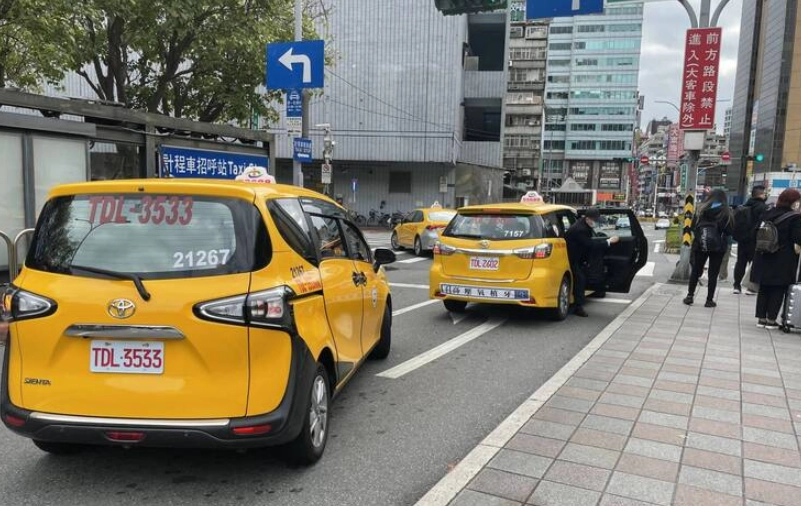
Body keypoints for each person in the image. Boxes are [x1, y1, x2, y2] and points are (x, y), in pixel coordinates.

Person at [751, 188, 801, 329]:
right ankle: (771, 319)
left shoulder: (768, 212)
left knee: (764, 287)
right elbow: (798, 237)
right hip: (783, 258)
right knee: (778, 289)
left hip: (764, 255)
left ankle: (761, 319)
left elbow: (755, 232)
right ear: (794, 202)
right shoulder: (794, 217)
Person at [565, 208, 619, 317]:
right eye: (594, 219)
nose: (595, 222)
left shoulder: (583, 224)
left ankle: (595, 291)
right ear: (588, 219)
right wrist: (608, 241)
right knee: (580, 280)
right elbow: (590, 245)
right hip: (571, 259)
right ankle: (578, 307)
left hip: (578, 257)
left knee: (585, 276)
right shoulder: (580, 229)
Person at [684, 189, 733, 308]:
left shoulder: (701, 209)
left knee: (696, 270)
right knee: (713, 273)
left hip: (701, 244)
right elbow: (730, 230)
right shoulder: (727, 211)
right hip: (719, 246)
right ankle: (709, 300)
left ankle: (690, 296)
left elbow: (692, 226)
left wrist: (702, 235)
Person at [733, 185, 768, 294]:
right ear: (761, 195)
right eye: (764, 193)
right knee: (754, 263)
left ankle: (737, 286)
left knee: (740, 263)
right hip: (756, 240)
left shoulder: (744, 206)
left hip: (742, 240)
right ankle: (751, 287)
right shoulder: (763, 207)